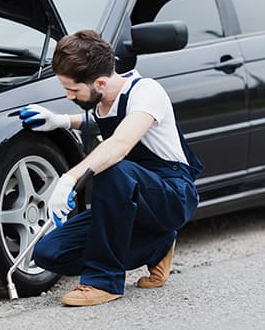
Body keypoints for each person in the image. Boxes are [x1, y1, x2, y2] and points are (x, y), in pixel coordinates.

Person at [18, 30, 203, 306]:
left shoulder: (146, 92)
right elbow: (101, 122)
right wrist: (60, 121)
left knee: (111, 168)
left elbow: (119, 144)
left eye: (73, 90)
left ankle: (103, 281)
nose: (69, 96)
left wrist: (69, 179)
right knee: (49, 253)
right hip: (129, 199)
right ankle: (158, 245)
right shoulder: (102, 102)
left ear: (101, 82)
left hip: (171, 195)